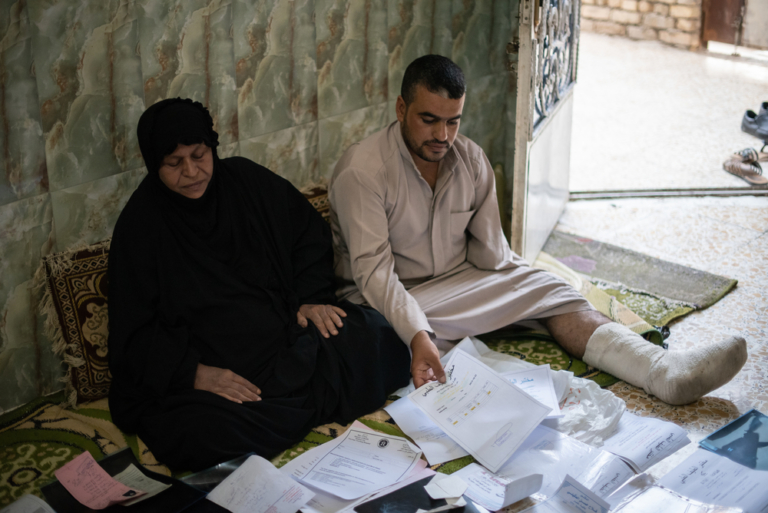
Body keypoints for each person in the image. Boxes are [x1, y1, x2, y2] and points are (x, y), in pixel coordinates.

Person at [329, 55, 747, 406]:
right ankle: (467, 373)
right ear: (401, 109)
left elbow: (493, 254)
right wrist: (417, 333)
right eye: (429, 120)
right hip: (390, 299)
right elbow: (375, 277)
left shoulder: (470, 159)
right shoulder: (363, 172)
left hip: (459, 282)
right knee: (401, 342)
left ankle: (663, 372)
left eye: (453, 122)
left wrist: (524, 285)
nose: (443, 136)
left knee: (556, 290)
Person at [107, 98, 411, 471]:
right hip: (220, 370)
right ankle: (298, 407)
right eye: (173, 163)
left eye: (199, 155)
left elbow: (308, 235)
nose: (191, 171)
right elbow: (133, 335)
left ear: (213, 148)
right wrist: (194, 373)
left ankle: (287, 412)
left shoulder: (245, 182)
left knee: (381, 336)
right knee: (191, 433)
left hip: (289, 339)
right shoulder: (141, 227)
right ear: (154, 164)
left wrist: (308, 300)